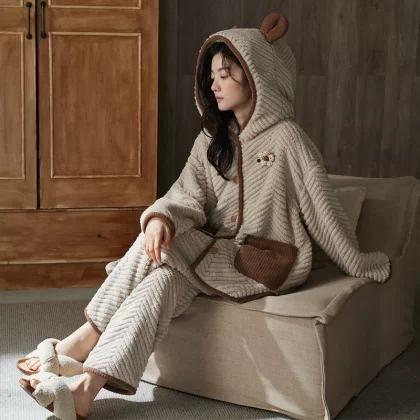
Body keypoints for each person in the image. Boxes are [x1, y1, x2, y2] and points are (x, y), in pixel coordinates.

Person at [17, 13, 391, 420]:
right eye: (211, 76)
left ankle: (76, 343)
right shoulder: (212, 139)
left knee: (171, 245)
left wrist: (358, 262)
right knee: (161, 280)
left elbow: (322, 206)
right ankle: (85, 390)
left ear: (256, 77)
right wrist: (161, 218)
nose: (214, 84)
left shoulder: (288, 138)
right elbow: (186, 194)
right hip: (216, 254)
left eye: (225, 75)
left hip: (266, 260)